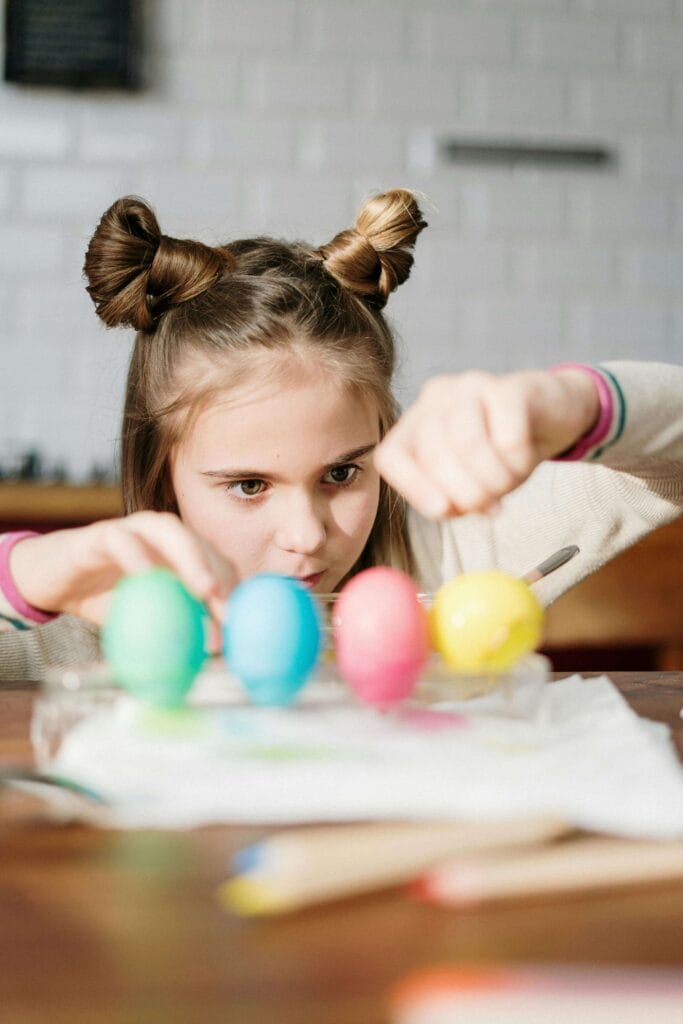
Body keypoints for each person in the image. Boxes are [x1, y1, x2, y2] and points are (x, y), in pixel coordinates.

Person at [1, 189, 682, 680]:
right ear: (163, 475)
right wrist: (28, 578)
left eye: (341, 474)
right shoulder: (100, 620)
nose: (305, 535)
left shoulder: (451, 562)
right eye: (247, 486)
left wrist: (569, 402)